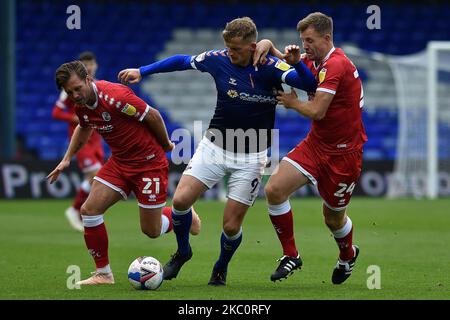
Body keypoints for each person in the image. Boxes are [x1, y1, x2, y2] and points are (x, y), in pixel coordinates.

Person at [118, 17, 317, 286]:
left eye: (236, 49)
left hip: (251, 157)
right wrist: (143, 71)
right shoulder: (218, 59)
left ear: (252, 46)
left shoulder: (271, 67)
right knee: (179, 201)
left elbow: (311, 85)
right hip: (214, 147)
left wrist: (297, 64)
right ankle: (183, 251)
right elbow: (181, 61)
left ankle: (221, 266)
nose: (230, 54)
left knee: (231, 227)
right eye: (228, 47)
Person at [47, 61, 201, 285]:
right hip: (119, 163)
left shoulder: (116, 96)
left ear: (89, 80)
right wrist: (66, 158)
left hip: (149, 164)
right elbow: (84, 125)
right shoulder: (81, 106)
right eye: (69, 92)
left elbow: (153, 116)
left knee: (151, 231)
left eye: (78, 88)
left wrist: (166, 144)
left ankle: (182, 216)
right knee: (89, 211)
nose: (75, 95)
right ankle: (103, 273)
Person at [254, 12, 367, 284]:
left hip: (344, 155)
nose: (305, 46)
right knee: (274, 189)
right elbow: (286, 64)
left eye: (310, 40)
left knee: (333, 219)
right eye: (303, 40)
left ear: (326, 38)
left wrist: (292, 103)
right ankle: (291, 255)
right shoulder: (316, 61)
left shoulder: (336, 65)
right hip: (316, 146)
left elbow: (317, 110)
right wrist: (268, 44)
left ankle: (347, 254)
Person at [52, 51, 104, 232]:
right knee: (97, 176)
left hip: (96, 138)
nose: (89, 66)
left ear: (96, 65)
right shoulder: (71, 89)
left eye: (91, 63)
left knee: (94, 178)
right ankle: (76, 210)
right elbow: (56, 113)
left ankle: (81, 210)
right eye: (85, 63)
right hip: (82, 140)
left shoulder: (96, 86)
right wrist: (75, 118)